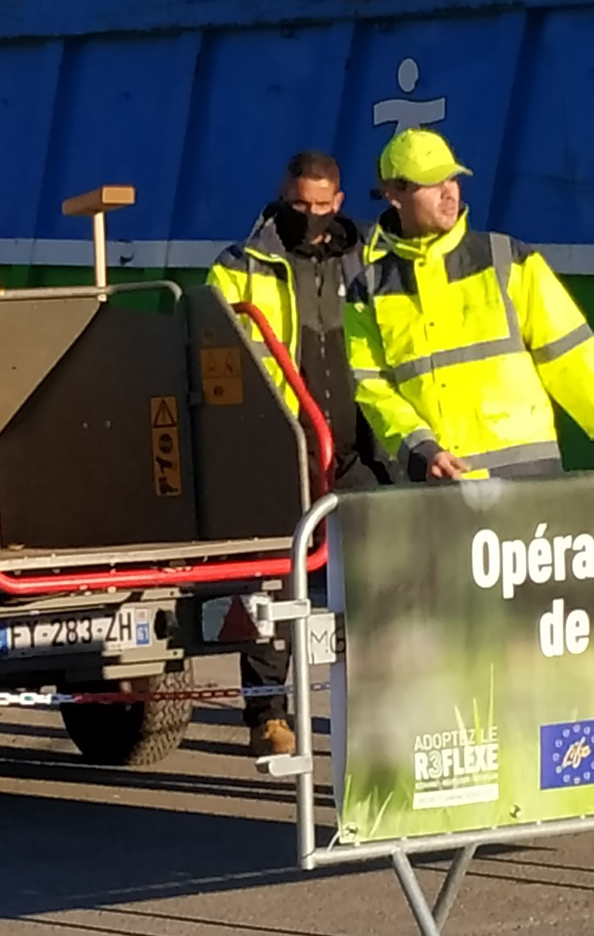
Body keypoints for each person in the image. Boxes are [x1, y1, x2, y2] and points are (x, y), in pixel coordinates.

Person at [206, 150, 397, 759]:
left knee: (376, 577)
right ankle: (268, 713)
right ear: (282, 196)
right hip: (278, 444)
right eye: (298, 206)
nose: (310, 218)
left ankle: (375, 706)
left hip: (352, 446)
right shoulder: (240, 266)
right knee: (270, 583)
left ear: (339, 202)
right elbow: (216, 355)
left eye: (321, 207)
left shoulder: (368, 258)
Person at [342, 127, 594, 483]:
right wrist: (422, 449)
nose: (449, 193)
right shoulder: (368, 289)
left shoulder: (509, 261)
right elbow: (373, 388)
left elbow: (573, 359)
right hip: (441, 490)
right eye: (431, 183)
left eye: (452, 179)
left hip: (528, 482)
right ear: (393, 194)